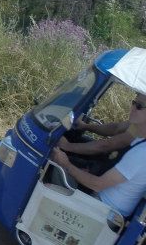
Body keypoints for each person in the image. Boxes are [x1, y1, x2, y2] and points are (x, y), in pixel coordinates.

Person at [52, 90, 146, 218]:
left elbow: (98, 184)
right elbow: (116, 128)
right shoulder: (140, 135)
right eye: (134, 102)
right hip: (104, 194)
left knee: (52, 173)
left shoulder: (141, 153)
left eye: (139, 106)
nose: (133, 107)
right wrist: (86, 126)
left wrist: (66, 163)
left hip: (103, 211)